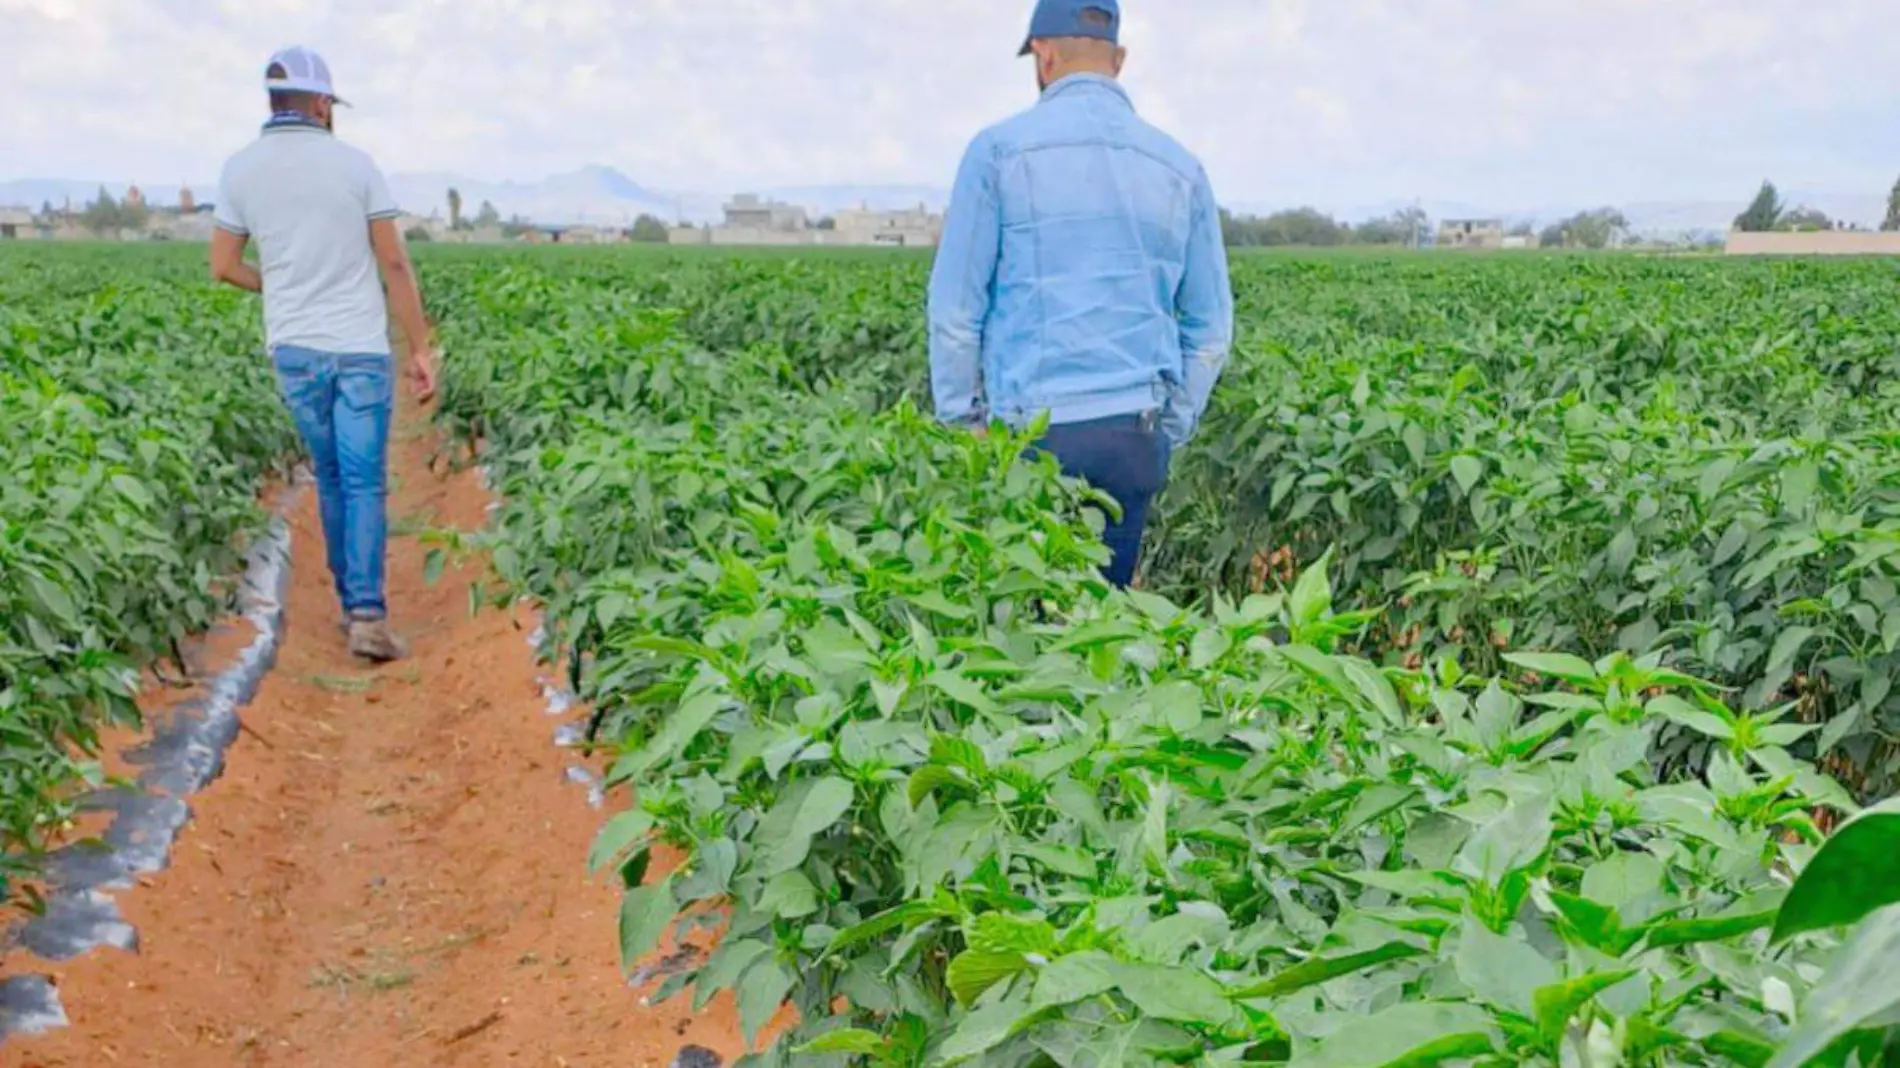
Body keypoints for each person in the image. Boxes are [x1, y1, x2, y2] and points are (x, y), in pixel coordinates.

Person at [928, 0, 1234, 589]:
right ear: (1118, 60)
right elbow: (1210, 331)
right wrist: (1166, 429)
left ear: (1042, 56)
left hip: (1027, 438)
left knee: (1021, 633)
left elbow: (955, 311)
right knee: (1102, 633)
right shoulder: (1180, 168)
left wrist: (963, 425)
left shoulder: (996, 152)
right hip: (1131, 434)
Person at [211, 47, 437, 662]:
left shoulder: (240, 171)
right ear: (319, 104)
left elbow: (223, 267)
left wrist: (281, 285)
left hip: (295, 349)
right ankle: (366, 615)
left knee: (332, 476)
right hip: (360, 348)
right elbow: (393, 262)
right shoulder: (356, 166)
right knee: (363, 481)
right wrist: (420, 348)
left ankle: (350, 603)